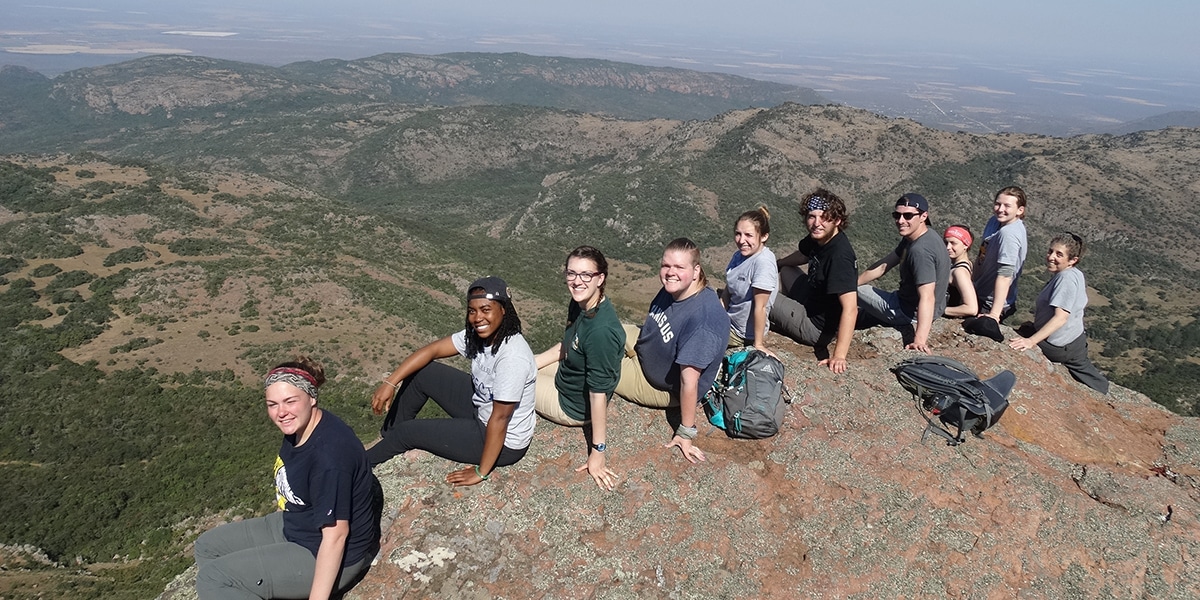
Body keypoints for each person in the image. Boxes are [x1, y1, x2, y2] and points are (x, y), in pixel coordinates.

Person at [195, 357, 380, 600]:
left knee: (213, 579)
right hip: (297, 523)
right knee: (207, 546)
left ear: (312, 397)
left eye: (290, 401)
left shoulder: (329, 456)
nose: (281, 412)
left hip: (322, 551)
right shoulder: (302, 427)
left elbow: (335, 537)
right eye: (273, 404)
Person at [367, 277, 537, 485]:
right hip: (482, 406)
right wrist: (390, 382)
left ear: (503, 309)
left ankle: (360, 465)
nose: (477, 318)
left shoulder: (512, 357)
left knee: (409, 432)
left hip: (503, 441)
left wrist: (481, 471)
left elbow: (500, 419)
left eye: (485, 309)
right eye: (472, 310)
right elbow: (433, 350)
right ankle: (390, 438)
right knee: (424, 373)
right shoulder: (480, 336)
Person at [615, 237, 730, 463]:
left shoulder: (704, 320)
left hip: (654, 382)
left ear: (696, 271)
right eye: (666, 265)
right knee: (597, 328)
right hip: (645, 347)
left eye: (679, 267)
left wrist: (686, 432)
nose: (670, 272)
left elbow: (689, 382)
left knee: (591, 360)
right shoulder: (675, 289)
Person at [534, 246, 626, 490]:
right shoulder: (580, 304)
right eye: (571, 273)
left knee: (507, 380)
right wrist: (533, 364)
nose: (577, 281)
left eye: (586, 275)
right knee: (515, 365)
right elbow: (568, 344)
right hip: (566, 375)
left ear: (600, 278)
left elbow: (598, 395)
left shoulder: (601, 331)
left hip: (571, 404)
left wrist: (598, 451)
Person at [770, 189, 859, 373]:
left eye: (824, 217)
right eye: (812, 217)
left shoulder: (840, 256)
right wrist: (777, 264)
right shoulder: (819, 238)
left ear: (837, 221)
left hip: (815, 327)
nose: (816, 223)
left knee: (759, 294)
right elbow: (803, 255)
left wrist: (839, 355)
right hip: (811, 298)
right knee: (786, 270)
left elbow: (851, 308)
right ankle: (785, 313)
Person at [1010, 233, 1110, 394]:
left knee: (1015, 337)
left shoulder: (1066, 279)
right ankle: (1101, 388)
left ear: (1073, 260)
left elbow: (1061, 317)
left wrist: (1031, 341)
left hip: (1060, 346)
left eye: (1059, 254)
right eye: (1050, 251)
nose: (1051, 257)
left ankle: (1103, 392)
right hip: (1074, 341)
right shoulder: (1074, 274)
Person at [856, 193, 950, 354]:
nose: (900, 221)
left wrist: (919, 340)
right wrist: (854, 281)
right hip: (915, 303)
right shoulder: (919, 236)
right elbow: (885, 264)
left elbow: (927, 296)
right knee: (854, 294)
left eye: (908, 215)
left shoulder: (920, 251)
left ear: (923, 216)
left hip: (905, 312)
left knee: (852, 291)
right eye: (896, 215)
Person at [965, 186, 1028, 341]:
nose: (1000, 209)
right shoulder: (995, 222)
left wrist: (993, 314)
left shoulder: (1009, 234)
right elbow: (983, 254)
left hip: (990, 302)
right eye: (998, 204)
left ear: (1020, 210)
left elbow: (1005, 276)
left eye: (1007, 206)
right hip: (979, 290)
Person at [721, 206, 778, 353]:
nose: (741, 240)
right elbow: (728, 290)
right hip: (729, 321)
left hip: (742, 333)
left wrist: (758, 344)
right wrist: (717, 315)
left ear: (764, 236)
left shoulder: (763, 263)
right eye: (738, 234)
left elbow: (761, 307)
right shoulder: (739, 256)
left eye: (748, 235)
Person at [943, 224, 979, 318]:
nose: (948, 247)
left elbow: (971, 308)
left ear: (965, 245)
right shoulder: (969, 264)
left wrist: (938, 310)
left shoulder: (959, 272)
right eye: (946, 243)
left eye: (953, 243)